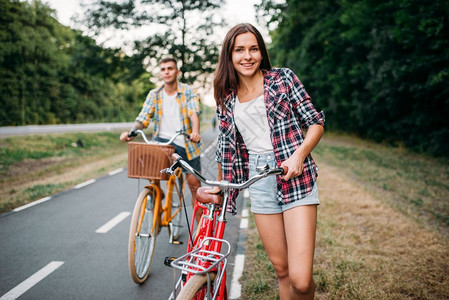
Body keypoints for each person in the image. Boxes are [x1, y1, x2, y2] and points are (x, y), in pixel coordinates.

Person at [209, 23, 325, 299]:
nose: (247, 56)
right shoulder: (227, 99)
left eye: (253, 49)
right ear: (229, 55)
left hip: (295, 177)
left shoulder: (283, 79)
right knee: (282, 271)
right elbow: (227, 152)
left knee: (301, 279)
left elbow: (315, 122)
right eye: (239, 50)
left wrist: (299, 155)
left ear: (261, 52)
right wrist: (219, 187)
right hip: (260, 182)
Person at [120, 57, 202, 205]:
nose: (167, 72)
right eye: (163, 69)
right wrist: (131, 132)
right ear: (160, 73)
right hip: (162, 142)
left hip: (186, 144)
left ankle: (199, 229)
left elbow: (193, 114)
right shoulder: (154, 94)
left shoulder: (188, 91)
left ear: (177, 72)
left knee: (195, 187)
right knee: (146, 164)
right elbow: (143, 118)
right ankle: (158, 193)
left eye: (170, 68)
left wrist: (195, 132)